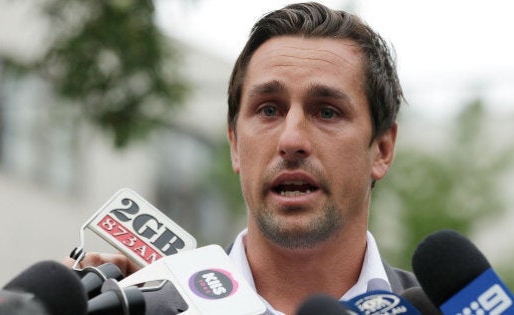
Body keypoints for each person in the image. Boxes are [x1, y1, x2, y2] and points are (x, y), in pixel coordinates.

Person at [64, 2, 418, 314]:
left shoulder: (446, 308)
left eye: (326, 112)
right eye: (269, 110)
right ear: (234, 144)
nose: (291, 140)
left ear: (382, 150)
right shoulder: (134, 308)